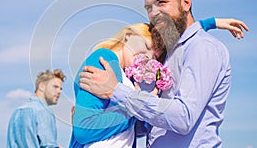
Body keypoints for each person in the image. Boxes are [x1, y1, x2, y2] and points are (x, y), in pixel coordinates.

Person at [78, 0, 249, 148]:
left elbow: (184, 118)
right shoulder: (170, 54)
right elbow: (155, 122)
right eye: (149, 7)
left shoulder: (202, 47)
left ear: (186, 2)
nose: (154, 13)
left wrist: (116, 91)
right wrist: (97, 120)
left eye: (162, 3)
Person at [70, 20, 247, 148]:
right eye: (147, 45)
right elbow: (84, 129)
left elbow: (134, 129)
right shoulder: (102, 60)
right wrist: (135, 109)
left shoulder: (126, 76)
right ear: (130, 34)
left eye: (154, 56)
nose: (146, 57)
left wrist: (209, 24)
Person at [7, 69, 66, 148]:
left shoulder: (17, 112)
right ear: (41, 86)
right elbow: (48, 145)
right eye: (55, 87)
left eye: (60, 89)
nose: (59, 91)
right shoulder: (43, 111)